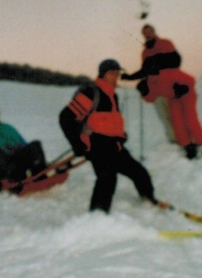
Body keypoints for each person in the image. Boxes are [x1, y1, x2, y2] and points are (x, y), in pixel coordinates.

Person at [59, 59, 160, 213]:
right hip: (96, 146)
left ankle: (149, 199)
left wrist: (120, 136)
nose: (116, 76)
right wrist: (78, 145)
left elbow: (110, 122)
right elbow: (66, 118)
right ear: (103, 74)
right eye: (112, 73)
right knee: (107, 178)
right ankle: (98, 216)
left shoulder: (113, 96)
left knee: (139, 172)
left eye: (117, 73)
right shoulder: (91, 93)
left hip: (114, 146)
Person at [122, 25, 202, 159]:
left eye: (149, 32)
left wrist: (183, 88)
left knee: (190, 119)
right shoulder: (146, 56)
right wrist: (137, 85)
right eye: (145, 33)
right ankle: (186, 145)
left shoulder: (166, 45)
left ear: (154, 32)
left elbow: (183, 71)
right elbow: (148, 87)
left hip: (182, 90)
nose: (148, 35)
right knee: (175, 120)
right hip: (171, 95)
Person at [0, 103, 47, 191]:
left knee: (35, 145)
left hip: (16, 162)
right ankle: (14, 182)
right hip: (3, 169)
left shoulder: (8, 129)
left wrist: (34, 157)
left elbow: (24, 146)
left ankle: (40, 174)